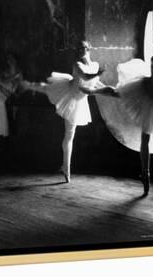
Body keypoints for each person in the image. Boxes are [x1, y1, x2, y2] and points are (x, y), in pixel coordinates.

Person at [22, 41, 113, 183]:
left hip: (80, 100)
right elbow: (85, 77)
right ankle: (27, 85)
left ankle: (65, 167)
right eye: (78, 48)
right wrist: (99, 73)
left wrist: (109, 90)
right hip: (69, 95)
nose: (79, 50)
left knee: (70, 134)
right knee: (46, 88)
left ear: (88, 49)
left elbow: (94, 83)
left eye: (82, 47)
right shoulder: (77, 65)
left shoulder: (94, 65)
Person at [112, 29, 153, 196]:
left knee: (145, 138)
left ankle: (145, 174)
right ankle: (145, 174)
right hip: (147, 92)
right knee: (119, 92)